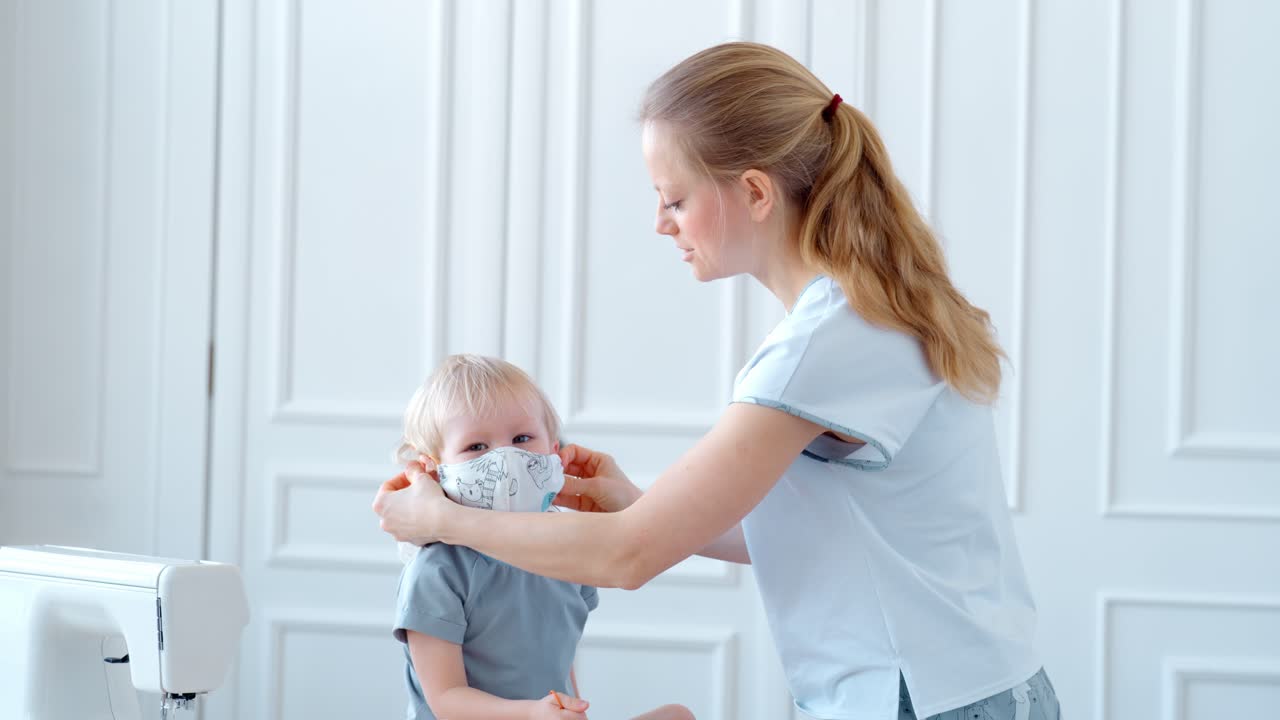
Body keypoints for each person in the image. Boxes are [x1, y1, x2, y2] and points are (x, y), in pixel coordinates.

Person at [375, 42, 1061, 720]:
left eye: (674, 199)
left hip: (920, 699)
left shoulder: (821, 345)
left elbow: (628, 558)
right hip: (984, 685)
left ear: (755, 192)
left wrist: (442, 519)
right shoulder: (873, 310)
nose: (660, 223)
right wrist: (637, 503)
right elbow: (826, 535)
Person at [391, 353, 694, 720]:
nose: (505, 458)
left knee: (677, 716)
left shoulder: (565, 552)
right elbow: (446, 700)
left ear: (554, 453)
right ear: (432, 469)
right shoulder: (437, 571)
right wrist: (533, 714)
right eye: (476, 447)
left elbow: (558, 666)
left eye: (521, 438)